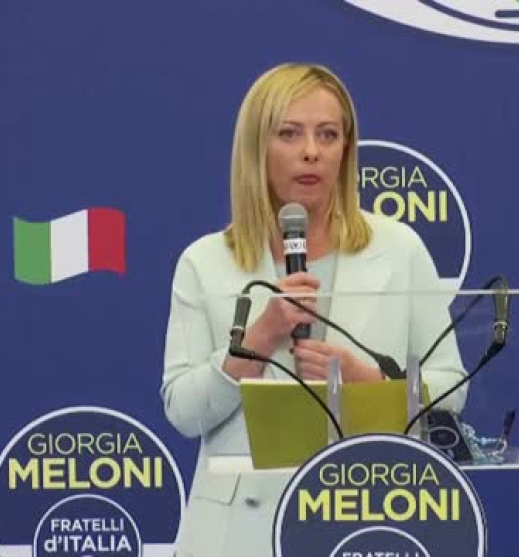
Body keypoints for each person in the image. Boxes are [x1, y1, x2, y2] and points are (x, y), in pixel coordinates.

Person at [160, 62, 467, 557]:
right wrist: (257, 340)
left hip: (363, 521)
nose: (311, 151)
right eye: (289, 133)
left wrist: (367, 381)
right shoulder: (205, 261)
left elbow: (452, 389)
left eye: (328, 134)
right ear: (256, 147)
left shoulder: (399, 249)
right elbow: (184, 410)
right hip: (237, 535)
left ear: (345, 149)